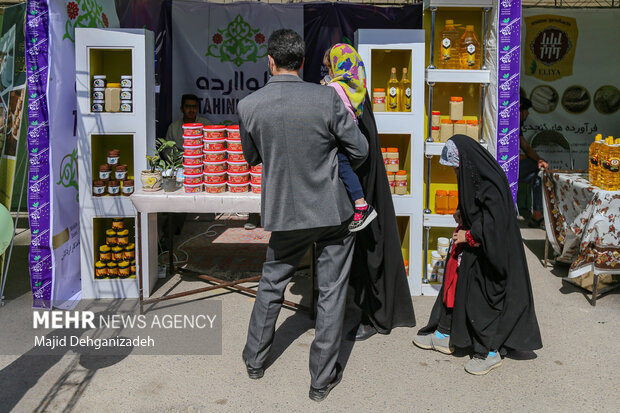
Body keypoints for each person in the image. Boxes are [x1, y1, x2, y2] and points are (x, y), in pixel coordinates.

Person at [238, 29, 368, 402]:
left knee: (271, 284)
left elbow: (252, 157)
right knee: (331, 292)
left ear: (270, 61)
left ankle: (254, 360)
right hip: (332, 210)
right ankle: (320, 381)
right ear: (304, 62)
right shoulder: (326, 98)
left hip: (286, 210)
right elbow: (358, 149)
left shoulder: (249, 105)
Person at [412, 135, 542, 376]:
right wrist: (463, 214)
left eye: (455, 170)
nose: (454, 175)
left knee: (482, 297)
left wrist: (470, 235)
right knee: (455, 281)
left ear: (466, 164)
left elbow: (494, 221)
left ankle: (489, 352)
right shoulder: (476, 177)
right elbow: (476, 206)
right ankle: (446, 332)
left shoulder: (491, 183)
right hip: (478, 246)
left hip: (494, 254)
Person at [321, 45, 415, 340]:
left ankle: (374, 316)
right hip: (365, 182)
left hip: (364, 186)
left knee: (370, 248)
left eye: (329, 68)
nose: (327, 74)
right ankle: (367, 308)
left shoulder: (344, 98)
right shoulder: (357, 96)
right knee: (365, 248)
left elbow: (355, 148)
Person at [322, 45, 377, 232]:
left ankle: (361, 205)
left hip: (339, 134)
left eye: (330, 67)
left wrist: (324, 86)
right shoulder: (355, 87)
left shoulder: (335, 87)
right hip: (351, 132)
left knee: (341, 164)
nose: (329, 71)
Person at [519, 96, 548, 228]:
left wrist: (539, 160)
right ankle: (537, 215)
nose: (528, 113)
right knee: (538, 170)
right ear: (519, 111)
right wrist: (531, 160)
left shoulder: (517, 126)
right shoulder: (507, 125)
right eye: (526, 110)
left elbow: (526, 147)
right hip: (505, 170)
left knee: (538, 178)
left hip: (517, 168)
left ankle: (537, 215)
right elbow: (511, 156)